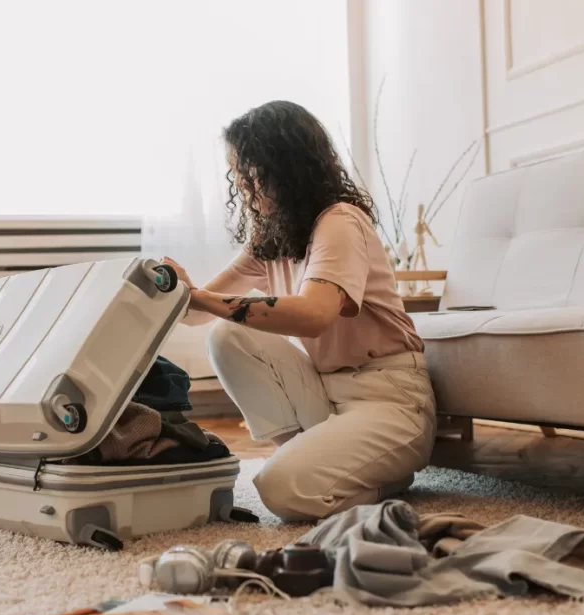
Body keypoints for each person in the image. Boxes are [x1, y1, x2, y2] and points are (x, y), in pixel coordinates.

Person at [161, 100, 436, 523]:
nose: (244, 187)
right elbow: (198, 313)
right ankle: (310, 457)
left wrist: (200, 298)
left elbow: (315, 314)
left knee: (281, 491)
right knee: (227, 334)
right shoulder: (272, 241)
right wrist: (174, 290)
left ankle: (380, 481)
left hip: (390, 397)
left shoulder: (341, 221)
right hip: (325, 392)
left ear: (285, 168)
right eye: (238, 175)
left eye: (250, 174)